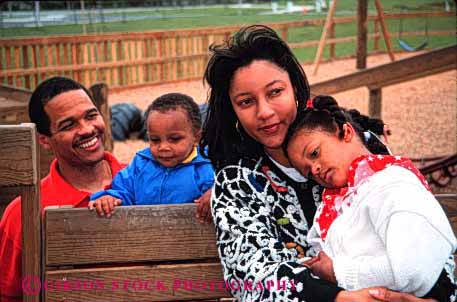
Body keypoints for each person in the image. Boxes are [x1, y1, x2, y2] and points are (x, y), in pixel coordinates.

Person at [200, 25, 446, 302]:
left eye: (275, 92)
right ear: (232, 110)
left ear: (295, 88)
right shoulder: (238, 182)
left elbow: (420, 227)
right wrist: (340, 298)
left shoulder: (362, 148)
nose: (265, 112)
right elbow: (253, 278)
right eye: (246, 102)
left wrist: (435, 297)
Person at [283, 95, 456, 300]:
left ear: (346, 132)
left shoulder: (392, 183)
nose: (315, 169)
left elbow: (412, 271)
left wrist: (338, 272)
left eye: (314, 153)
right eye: (308, 172)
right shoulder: (342, 199)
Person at [0, 76, 125, 300]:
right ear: (44, 140)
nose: (87, 130)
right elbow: (9, 295)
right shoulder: (20, 214)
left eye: (91, 115)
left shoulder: (145, 182)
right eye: (69, 125)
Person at [89, 93, 214, 220]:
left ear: (196, 137)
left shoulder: (205, 167)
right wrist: (110, 198)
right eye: (155, 140)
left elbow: (227, 189)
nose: (163, 147)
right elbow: (123, 191)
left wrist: (215, 194)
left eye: (174, 139)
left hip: (191, 236)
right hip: (145, 235)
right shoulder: (141, 165)